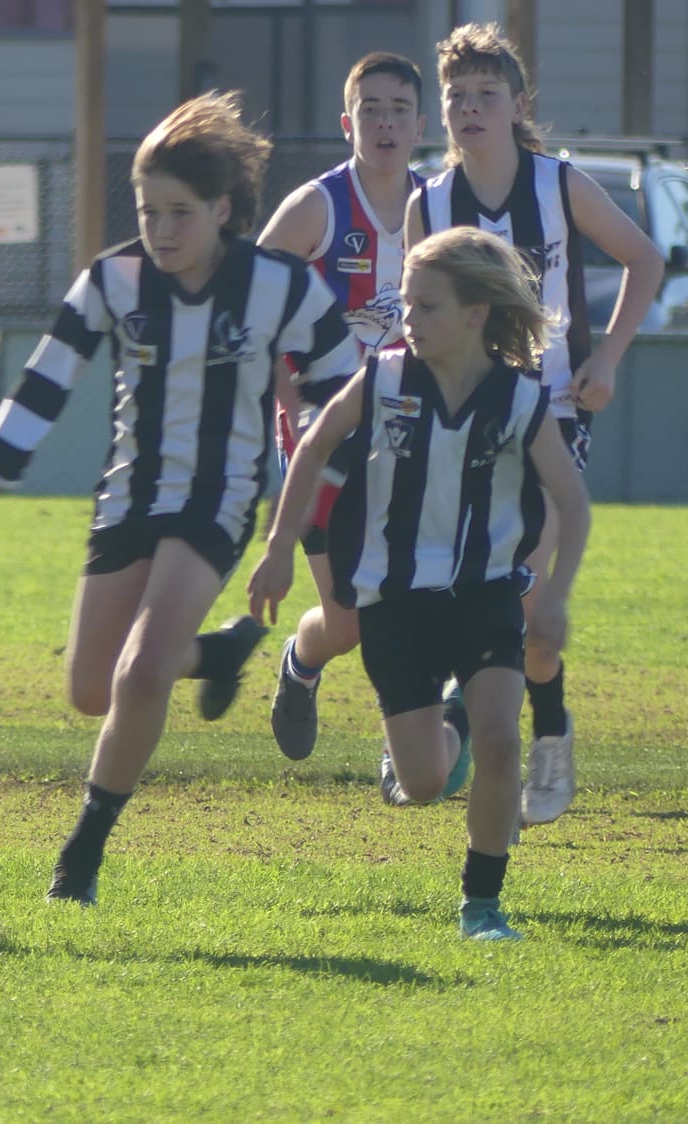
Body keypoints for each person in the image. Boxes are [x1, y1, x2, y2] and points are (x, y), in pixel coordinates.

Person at [0, 91, 360, 905]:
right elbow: (48, 373)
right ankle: (217, 654)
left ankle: (81, 857)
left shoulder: (279, 285)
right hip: (127, 497)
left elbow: (342, 392)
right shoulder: (114, 278)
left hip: (218, 503)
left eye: (180, 213)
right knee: (90, 688)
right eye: (148, 212)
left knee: (140, 675)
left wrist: (302, 508)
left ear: (222, 210)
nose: (162, 230)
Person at [249, 226, 591, 940]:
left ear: (475, 314)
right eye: (406, 303)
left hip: (485, 595)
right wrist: (279, 548)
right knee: (425, 783)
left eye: (427, 306)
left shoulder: (519, 399)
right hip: (395, 604)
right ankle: (444, 715)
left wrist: (555, 596)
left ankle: (482, 908)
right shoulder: (384, 379)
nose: (409, 318)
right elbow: (312, 447)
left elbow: (572, 500)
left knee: (500, 742)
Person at [405, 23, 663, 823]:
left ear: (518, 106)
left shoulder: (559, 185)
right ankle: (454, 723)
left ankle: (536, 735)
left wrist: (607, 358)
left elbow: (646, 259)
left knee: (521, 585)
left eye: (487, 94)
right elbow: (416, 316)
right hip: (464, 416)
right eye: (457, 96)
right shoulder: (430, 204)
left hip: (551, 410)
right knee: (462, 584)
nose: (470, 108)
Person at [255, 51, 428, 763]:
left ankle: (406, 751)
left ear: (420, 125)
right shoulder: (317, 208)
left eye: (398, 110)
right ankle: (301, 665)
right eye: (370, 110)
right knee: (348, 623)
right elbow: (250, 305)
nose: (385, 123)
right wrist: (290, 401)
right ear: (347, 123)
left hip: (410, 430)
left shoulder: (438, 208)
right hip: (323, 437)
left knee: (418, 595)